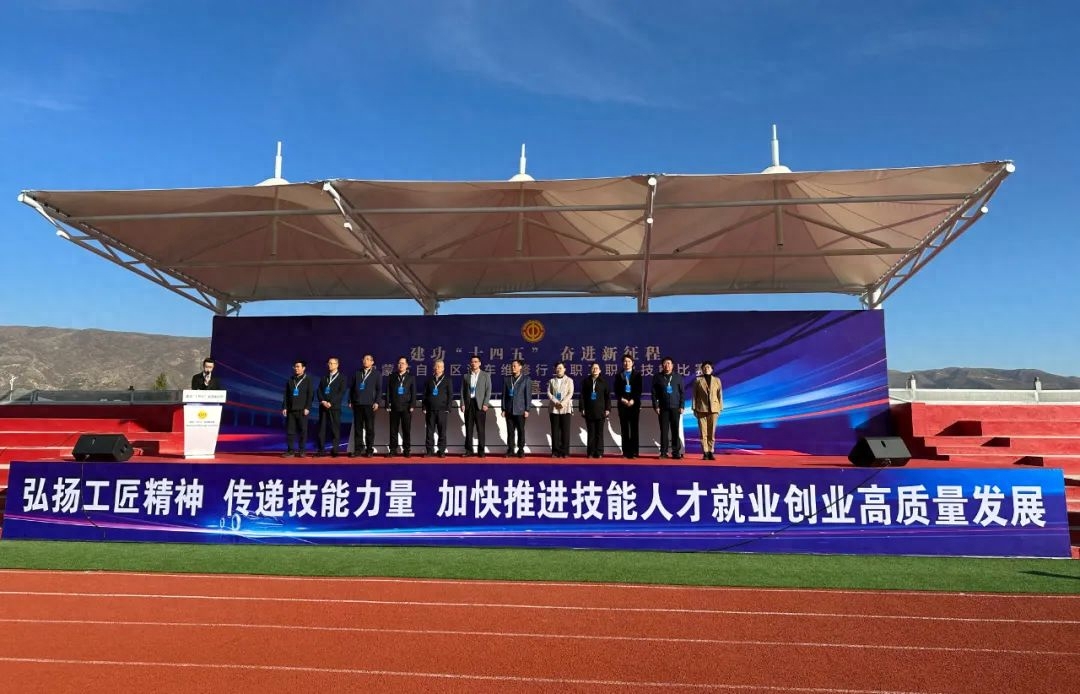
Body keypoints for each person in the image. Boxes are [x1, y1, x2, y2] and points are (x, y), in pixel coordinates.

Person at [652, 356, 685, 459]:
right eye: (665, 363)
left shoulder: (678, 377)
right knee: (664, 431)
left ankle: (676, 452)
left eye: (669, 363)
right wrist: (656, 406)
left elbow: (682, 393)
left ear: (672, 365)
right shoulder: (657, 377)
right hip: (663, 408)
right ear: (662, 366)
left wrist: (682, 406)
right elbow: (654, 393)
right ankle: (663, 452)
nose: (667, 365)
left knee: (675, 430)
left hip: (675, 407)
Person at [349, 354, 381, 457]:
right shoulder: (357, 373)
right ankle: (358, 450)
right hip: (357, 404)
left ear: (372, 362)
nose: (365, 361)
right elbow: (352, 388)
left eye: (368, 359)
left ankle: (369, 450)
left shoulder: (376, 374)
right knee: (357, 428)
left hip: (369, 404)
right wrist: (350, 400)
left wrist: (377, 402)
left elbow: (379, 390)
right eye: (364, 359)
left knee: (369, 428)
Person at [281, 360, 314, 457]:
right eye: (295, 367)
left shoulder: (308, 380)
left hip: (302, 410)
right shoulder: (291, 380)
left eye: (298, 366)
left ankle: (302, 451)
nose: (296, 368)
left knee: (303, 431)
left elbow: (310, 395)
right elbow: (286, 395)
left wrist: (307, 407)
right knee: (290, 431)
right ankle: (290, 451)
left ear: (303, 368)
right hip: (291, 410)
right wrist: (284, 407)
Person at [461, 354, 492, 457]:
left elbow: (488, 390)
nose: (473, 363)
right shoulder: (466, 376)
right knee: (468, 429)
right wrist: (462, 403)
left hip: (480, 405)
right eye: (472, 362)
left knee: (480, 429)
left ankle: (481, 451)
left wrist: (486, 403)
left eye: (475, 362)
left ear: (480, 363)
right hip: (469, 404)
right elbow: (462, 391)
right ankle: (469, 450)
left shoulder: (485, 375)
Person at [692, 361, 724, 460]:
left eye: (708, 367)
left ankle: (711, 451)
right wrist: (694, 408)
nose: (706, 369)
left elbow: (720, 395)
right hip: (701, 409)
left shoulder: (717, 380)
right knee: (703, 433)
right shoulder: (698, 380)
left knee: (711, 432)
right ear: (702, 369)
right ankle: (705, 452)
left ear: (712, 369)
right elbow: (694, 396)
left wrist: (720, 408)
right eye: (705, 367)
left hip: (714, 409)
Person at [316, 357, 347, 457]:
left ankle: (335, 450)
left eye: (332, 363)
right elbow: (319, 390)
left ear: (337, 365)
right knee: (321, 429)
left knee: (335, 429)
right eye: (329, 363)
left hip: (334, 407)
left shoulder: (342, 378)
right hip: (323, 406)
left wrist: (331, 403)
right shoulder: (324, 377)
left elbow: (341, 392)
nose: (329, 365)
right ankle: (321, 450)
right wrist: (322, 401)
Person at [386, 356, 417, 457]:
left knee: (406, 430)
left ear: (407, 365)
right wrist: (387, 403)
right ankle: (393, 449)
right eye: (399, 363)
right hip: (394, 406)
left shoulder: (411, 377)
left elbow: (413, 392)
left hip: (406, 407)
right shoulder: (392, 376)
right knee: (393, 430)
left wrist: (412, 405)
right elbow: (388, 391)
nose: (401, 365)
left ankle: (406, 450)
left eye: (403, 363)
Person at [613, 353, 642, 459]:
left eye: (629, 361)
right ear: (622, 363)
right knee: (624, 429)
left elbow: (639, 390)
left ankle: (634, 452)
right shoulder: (619, 375)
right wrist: (622, 399)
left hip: (634, 405)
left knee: (634, 429)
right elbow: (616, 390)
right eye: (625, 361)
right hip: (623, 405)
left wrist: (633, 400)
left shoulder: (637, 375)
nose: (627, 363)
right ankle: (626, 452)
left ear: (632, 363)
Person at [502, 359, 532, 458]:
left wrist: (527, 409)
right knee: (510, 431)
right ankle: (510, 450)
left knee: (520, 431)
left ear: (520, 367)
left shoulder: (526, 379)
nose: (513, 367)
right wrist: (503, 409)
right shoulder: (507, 379)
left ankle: (521, 450)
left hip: (520, 409)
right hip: (509, 409)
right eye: (512, 366)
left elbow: (528, 395)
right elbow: (504, 395)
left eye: (515, 366)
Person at [422, 358, 452, 457]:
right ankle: (429, 451)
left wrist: (448, 408)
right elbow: (425, 395)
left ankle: (441, 451)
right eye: (436, 366)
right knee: (429, 431)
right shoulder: (429, 380)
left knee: (442, 431)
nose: (437, 368)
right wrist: (424, 407)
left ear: (443, 368)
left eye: (439, 367)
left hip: (442, 410)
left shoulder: (447, 380)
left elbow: (450, 395)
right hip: (430, 410)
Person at [580, 362, 610, 458]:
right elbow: (582, 396)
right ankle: (590, 452)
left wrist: (608, 409)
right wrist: (582, 408)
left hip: (601, 411)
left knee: (599, 433)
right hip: (589, 411)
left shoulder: (604, 382)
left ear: (600, 370)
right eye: (593, 368)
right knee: (591, 432)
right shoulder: (586, 381)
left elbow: (607, 397)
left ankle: (599, 452)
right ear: (590, 370)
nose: (595, 369)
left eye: (596, 368)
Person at [547, 362, 574, 458]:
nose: (559, 370)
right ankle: (555, 451)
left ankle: (565, 452)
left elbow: (570, 393)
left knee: (565, 431)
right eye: (557, 368)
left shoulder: (569, 380)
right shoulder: (552, 381)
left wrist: (562, 403)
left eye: (561, 368)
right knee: (555, 431)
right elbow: (549, 393)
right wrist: (556, 402)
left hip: (565, 408)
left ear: (564, 369)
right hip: (554, 408)